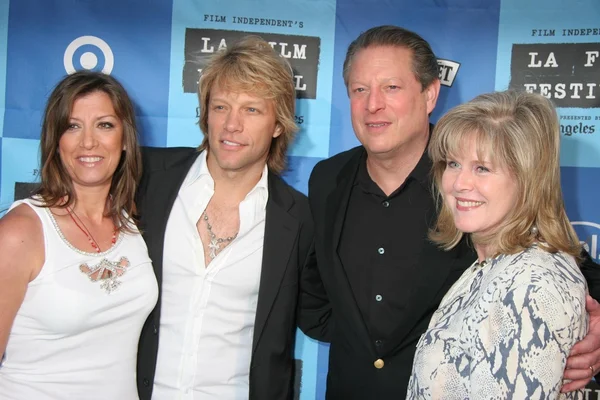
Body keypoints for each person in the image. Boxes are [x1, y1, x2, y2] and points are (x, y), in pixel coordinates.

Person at [298, 25, 600, 399]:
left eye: (391, 88)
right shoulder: (327, 178)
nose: (372, 104)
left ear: (429, 94)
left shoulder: (475, 182)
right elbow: (312, 290)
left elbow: (559, 263)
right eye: (360, 90)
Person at [135, 36, 313, 400]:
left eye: (251, 110)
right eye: (220, 107)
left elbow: (320, 312)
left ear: (279, 124)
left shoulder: (299, 219)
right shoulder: (147, 177)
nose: (231, 125)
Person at [407, 90, 587, 398]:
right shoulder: (490, 265)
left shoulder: (531, 285)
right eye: (453, 163)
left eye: (482, 168)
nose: (459, 183)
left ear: (527, 179)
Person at [0, 71, 158, 399]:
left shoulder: (131, 224)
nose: (88, 142)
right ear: (56, 141)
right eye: (73, 126)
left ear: (125, 138)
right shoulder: (21, 232)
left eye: (104, 125)